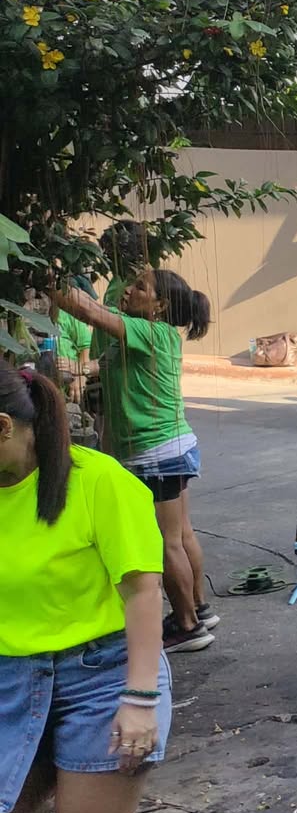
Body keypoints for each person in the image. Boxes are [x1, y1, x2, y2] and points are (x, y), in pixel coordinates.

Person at [0, 359, 172, 813]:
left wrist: (140, 700)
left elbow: (143, 591)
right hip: (9, 677)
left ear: (4, 427)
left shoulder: (100, 483)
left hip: (101, 677)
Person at [51, 269, 216, 653]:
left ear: (159, 306)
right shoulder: (147, 334)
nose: (128, 289)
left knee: (165, 543)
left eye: (141, 287)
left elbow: (93, 314)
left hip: (155, 452)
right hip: (169, 448)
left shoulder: (150, 332)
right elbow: (102, 365)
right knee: (181, 536)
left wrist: (48, 282)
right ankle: (197, 609)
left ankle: (188, 626)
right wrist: (75, 369)